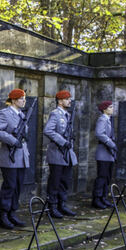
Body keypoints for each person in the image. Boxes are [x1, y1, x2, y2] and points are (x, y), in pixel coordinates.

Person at [0, 88, 30, 229]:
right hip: (9, 156)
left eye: (24, 98)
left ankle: (13, 213)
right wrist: (12, 140)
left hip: (21, 156)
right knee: (9, 186)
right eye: (21, 98)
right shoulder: (5, 113)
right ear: (13, 100)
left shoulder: (21, 115)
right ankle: (3, 216)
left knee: (18, 186)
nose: (24, 101)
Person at [44, 90, 78, 218]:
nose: (70, 101)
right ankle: (52, 207)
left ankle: (61, 205)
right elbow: (48, 130)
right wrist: (63, 142)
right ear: (60, 101)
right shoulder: (55, 114)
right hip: (57, 154)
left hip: (67, 154)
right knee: (55, 182)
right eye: (67, 99)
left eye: (70, 99)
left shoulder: (68, 115)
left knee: (64, 181)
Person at [92, 100, 117, 209]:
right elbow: (99, 133)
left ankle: (103, 198)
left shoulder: (108, 119)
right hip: (103, 153)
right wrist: (111, 144)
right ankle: (96, 199)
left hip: (108, 153)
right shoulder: (102, 119)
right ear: (104, 109)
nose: (112, 109)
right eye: (110, 107)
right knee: (102, 177)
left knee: (107, 177)